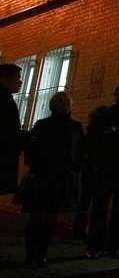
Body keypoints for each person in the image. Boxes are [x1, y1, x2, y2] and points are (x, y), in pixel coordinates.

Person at [22, 92, 84, 265]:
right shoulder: (72, 127)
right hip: (47, 175)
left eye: (65, 102)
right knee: (39, 216)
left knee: (47, 216)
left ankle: (39, 252)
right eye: (61, 102)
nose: (63, 105)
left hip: (56, 175)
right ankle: (34, 252)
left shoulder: (47, 125)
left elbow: (80, 152)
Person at [85, 86, 119, 258]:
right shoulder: (105, 115)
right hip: (107, 167)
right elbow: (94, 139)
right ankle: (95, 245)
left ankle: (113, 245)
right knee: (101, 207)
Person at [0, 63, 26, 197]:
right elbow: (7, 134)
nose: (20, 81)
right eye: (17, 77)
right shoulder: (5, 102)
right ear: (4, 79)